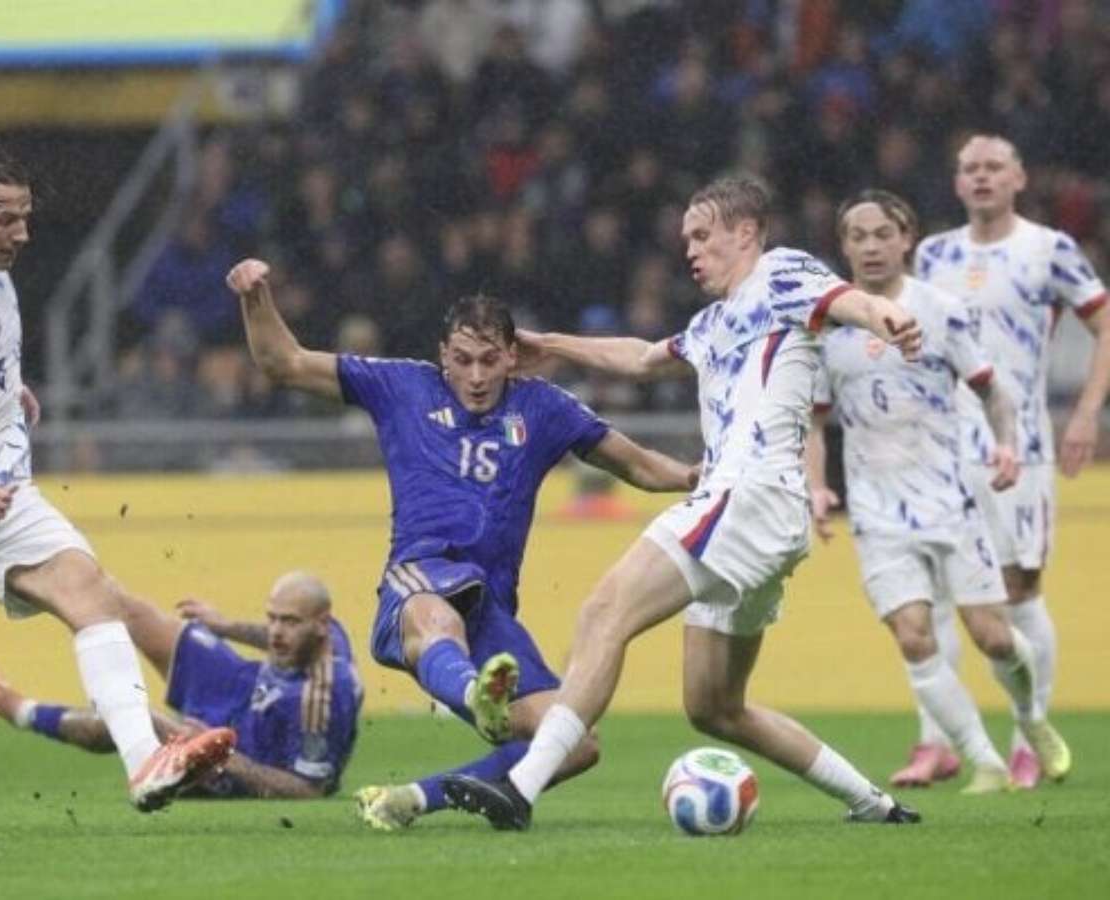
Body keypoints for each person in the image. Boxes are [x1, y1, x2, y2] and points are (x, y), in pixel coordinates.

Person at [440, 174, 927, 831]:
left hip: (747, 494)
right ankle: (875, 804)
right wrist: (550, 345)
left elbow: (849, 301)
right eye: (686, 240)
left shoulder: (782, 275)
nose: (690, 251)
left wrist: (887, 318)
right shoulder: (713, 323)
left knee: (605, 610)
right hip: (761, 517)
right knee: (715, 708)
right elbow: (641, 358)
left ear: (745, 233)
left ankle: (521, 787)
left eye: (701, 235)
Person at [225, 262, 700, 830]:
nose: (475, 375)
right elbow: (284, 362)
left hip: (490, 612)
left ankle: (414, 799)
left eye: (489, 360)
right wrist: (255, 297)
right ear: (443, 356)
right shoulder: (402, 386)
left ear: (512, 357)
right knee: (439, 615)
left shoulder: (544, 408)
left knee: (575, 742)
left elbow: (640, 466)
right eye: (463, 359)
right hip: (419, 581)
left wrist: (697, 478)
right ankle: (477, 694)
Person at [0, 146, 233, 811]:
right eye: (6, 219)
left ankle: (146, 763)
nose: (22, 234)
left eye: (26, 218)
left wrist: (6, 391)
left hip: (4, 498)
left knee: (89, 590)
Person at [807, 189, 1069, 794]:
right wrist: (817, 487)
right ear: (844, 247)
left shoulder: (942, 310)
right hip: (876, 509)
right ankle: (985, 761)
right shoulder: (826, 328)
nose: (871, 246)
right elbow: (814, 424)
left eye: (883, 234)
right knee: (913, 635)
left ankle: (1030, 718)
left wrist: (1006, 446)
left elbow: (991, 391)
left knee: (992, 636)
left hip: (951, 499)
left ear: (907, 239)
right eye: (857, 236)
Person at [912, 134, 1107, 788]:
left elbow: (1105, 323)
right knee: (935, 593)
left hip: (1019, 446)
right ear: (957, 182)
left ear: (1019, 178)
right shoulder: (933, 254)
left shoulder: (1049, 249)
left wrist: (1086, 412)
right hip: (942, 448)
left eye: (994, 166)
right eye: (970, 168)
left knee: (1019, 592)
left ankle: (1029, 736)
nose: (982, 176)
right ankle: (936, 742)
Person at [0, 571, 362, 799]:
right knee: (130, 610)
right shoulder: (329, 633)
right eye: (273, 617)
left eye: (288, 622)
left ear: (320, 625)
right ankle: (37, 577)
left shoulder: (321, 697)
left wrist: (218, 753)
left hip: (246, 751)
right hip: (245, 685)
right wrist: (225, 627)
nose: (275, 631)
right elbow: (276, 638)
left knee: (136, 717)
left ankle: (24, 712)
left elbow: (309, 790)